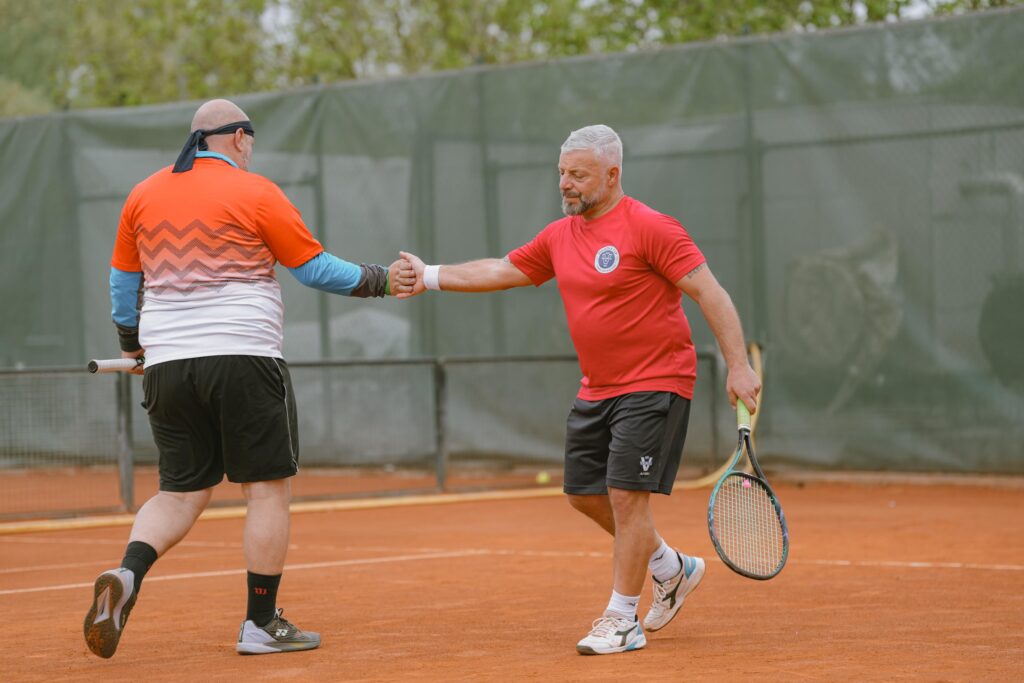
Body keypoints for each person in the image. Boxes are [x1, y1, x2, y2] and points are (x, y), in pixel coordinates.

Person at [398, 124, 760, 656]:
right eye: (562, 173)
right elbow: (503, 269)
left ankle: (622, 619)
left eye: (578, 175)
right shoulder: (559, 236)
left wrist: (738, 366)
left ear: (612, 175)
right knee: (583, 495)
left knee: (627, 497)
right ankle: (671, 567)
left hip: (656, 381)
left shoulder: (651, 227)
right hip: (597, 388)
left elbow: (710, 292)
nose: (565, 183)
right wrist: (429, 274)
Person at [84, 99, 415, 659]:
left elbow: (123, 284)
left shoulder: (142, 194)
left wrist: (133, 347)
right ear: (238, 137)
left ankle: (128, 572)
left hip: (166, 365)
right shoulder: (255, 192)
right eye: (251, 139)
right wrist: (383, 279)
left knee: (179, 492)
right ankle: (260, 622)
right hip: (243, 356)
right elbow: (314, 268)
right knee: (266, 489)